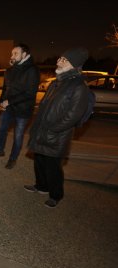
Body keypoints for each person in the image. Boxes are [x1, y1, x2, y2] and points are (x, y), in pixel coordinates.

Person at [25, 48, 90, 208]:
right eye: (60, 58)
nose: (59, 61)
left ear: (74, 65)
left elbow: (73, 116)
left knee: (53, 167)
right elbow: (44, 106)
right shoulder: (56, 82)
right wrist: (37, 126)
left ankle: (56, 195)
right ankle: (41, 186)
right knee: (39, 160)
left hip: (56, 134)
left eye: (64, 60)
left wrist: (53, 129)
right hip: (42, 129)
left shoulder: (79, 86)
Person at [0, 44, 40, 169]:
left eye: (15, 53)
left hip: (23, 109)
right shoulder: (10, 69)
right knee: (1, 130)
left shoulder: (32, 70)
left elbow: (30, 93)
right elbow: (6, 88)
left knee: (18, 135)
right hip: (8, 108)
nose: (12, 56)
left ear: (24, 54)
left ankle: (13, 158)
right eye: (12, 53)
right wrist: (1, 101)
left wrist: (9, 101)